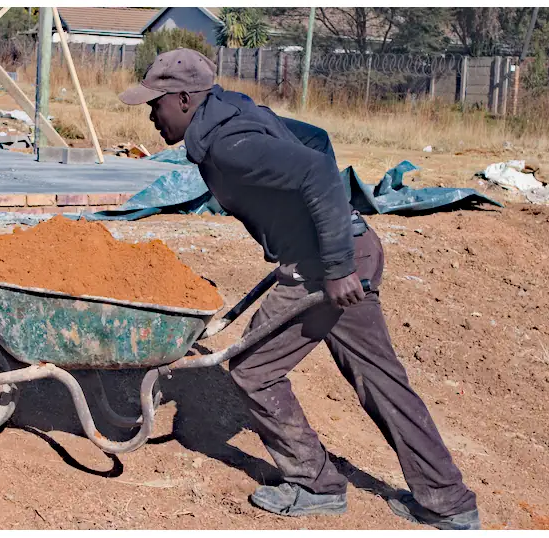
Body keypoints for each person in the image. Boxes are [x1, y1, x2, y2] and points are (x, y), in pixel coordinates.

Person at [119, 48, 481, 530]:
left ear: (184, 98)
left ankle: (315, 485)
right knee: (379, 377)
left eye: (155, 103)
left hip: (325, 267)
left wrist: (331, 263)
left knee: (253, 370)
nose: (150, 114)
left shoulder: (229, 142)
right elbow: (316, 141)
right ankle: (448, 501)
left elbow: (313, 171)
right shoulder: (234, 112)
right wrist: (329, 233)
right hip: (348, 251)